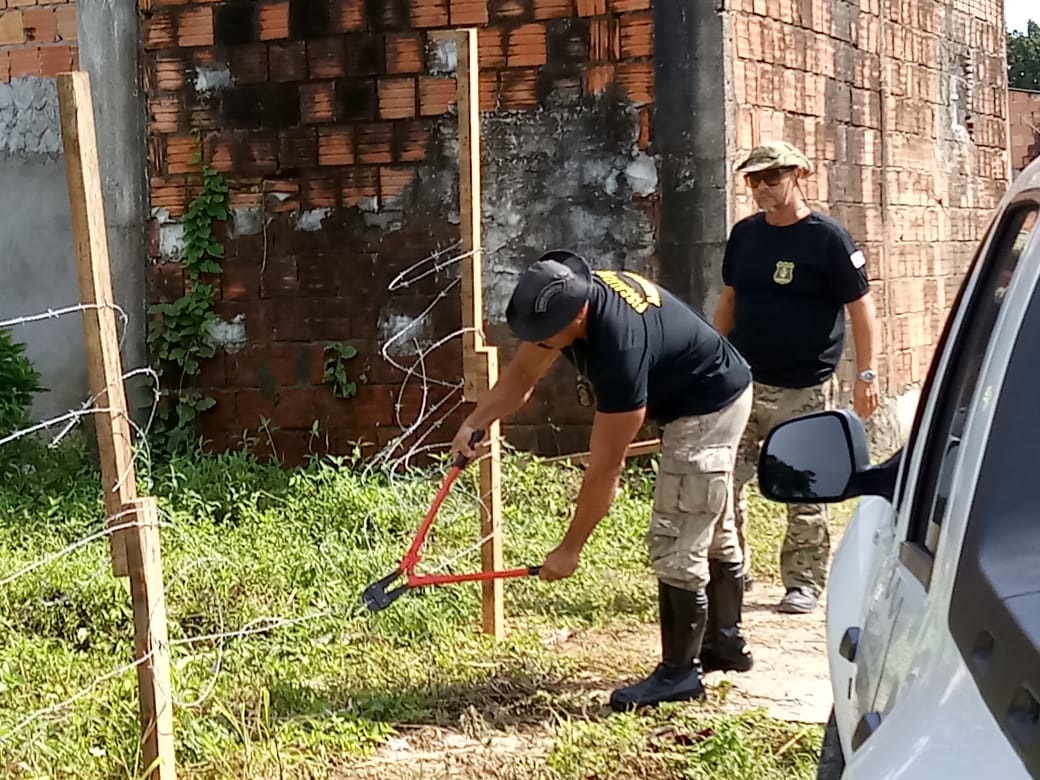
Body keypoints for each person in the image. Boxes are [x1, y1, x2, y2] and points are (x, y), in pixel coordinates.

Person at [450, 250, 755, 712]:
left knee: (680, 529)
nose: (538, 342)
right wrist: (476, 421)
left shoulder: (620, 351)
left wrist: (569, 548)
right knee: (712, 523)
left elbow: (604, 469)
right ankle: (726, 644)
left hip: (708, 405)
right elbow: (524, 373)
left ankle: (680, 675)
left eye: (544, 334)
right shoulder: (569, 300)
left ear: (577, 315)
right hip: (711, 385)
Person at [713, 141, 879, 615]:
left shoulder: (827, 239)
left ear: (797, 175)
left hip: (804, 385)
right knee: (724, 479)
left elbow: (862, 307)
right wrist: (712, 356)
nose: (762, 187)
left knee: (804, 484)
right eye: (753, 180)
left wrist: (866, 373)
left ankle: (803, 581)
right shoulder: (745, 235)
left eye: (771, 177)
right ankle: (732, 569)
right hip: (744, 380)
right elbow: (729, 299)